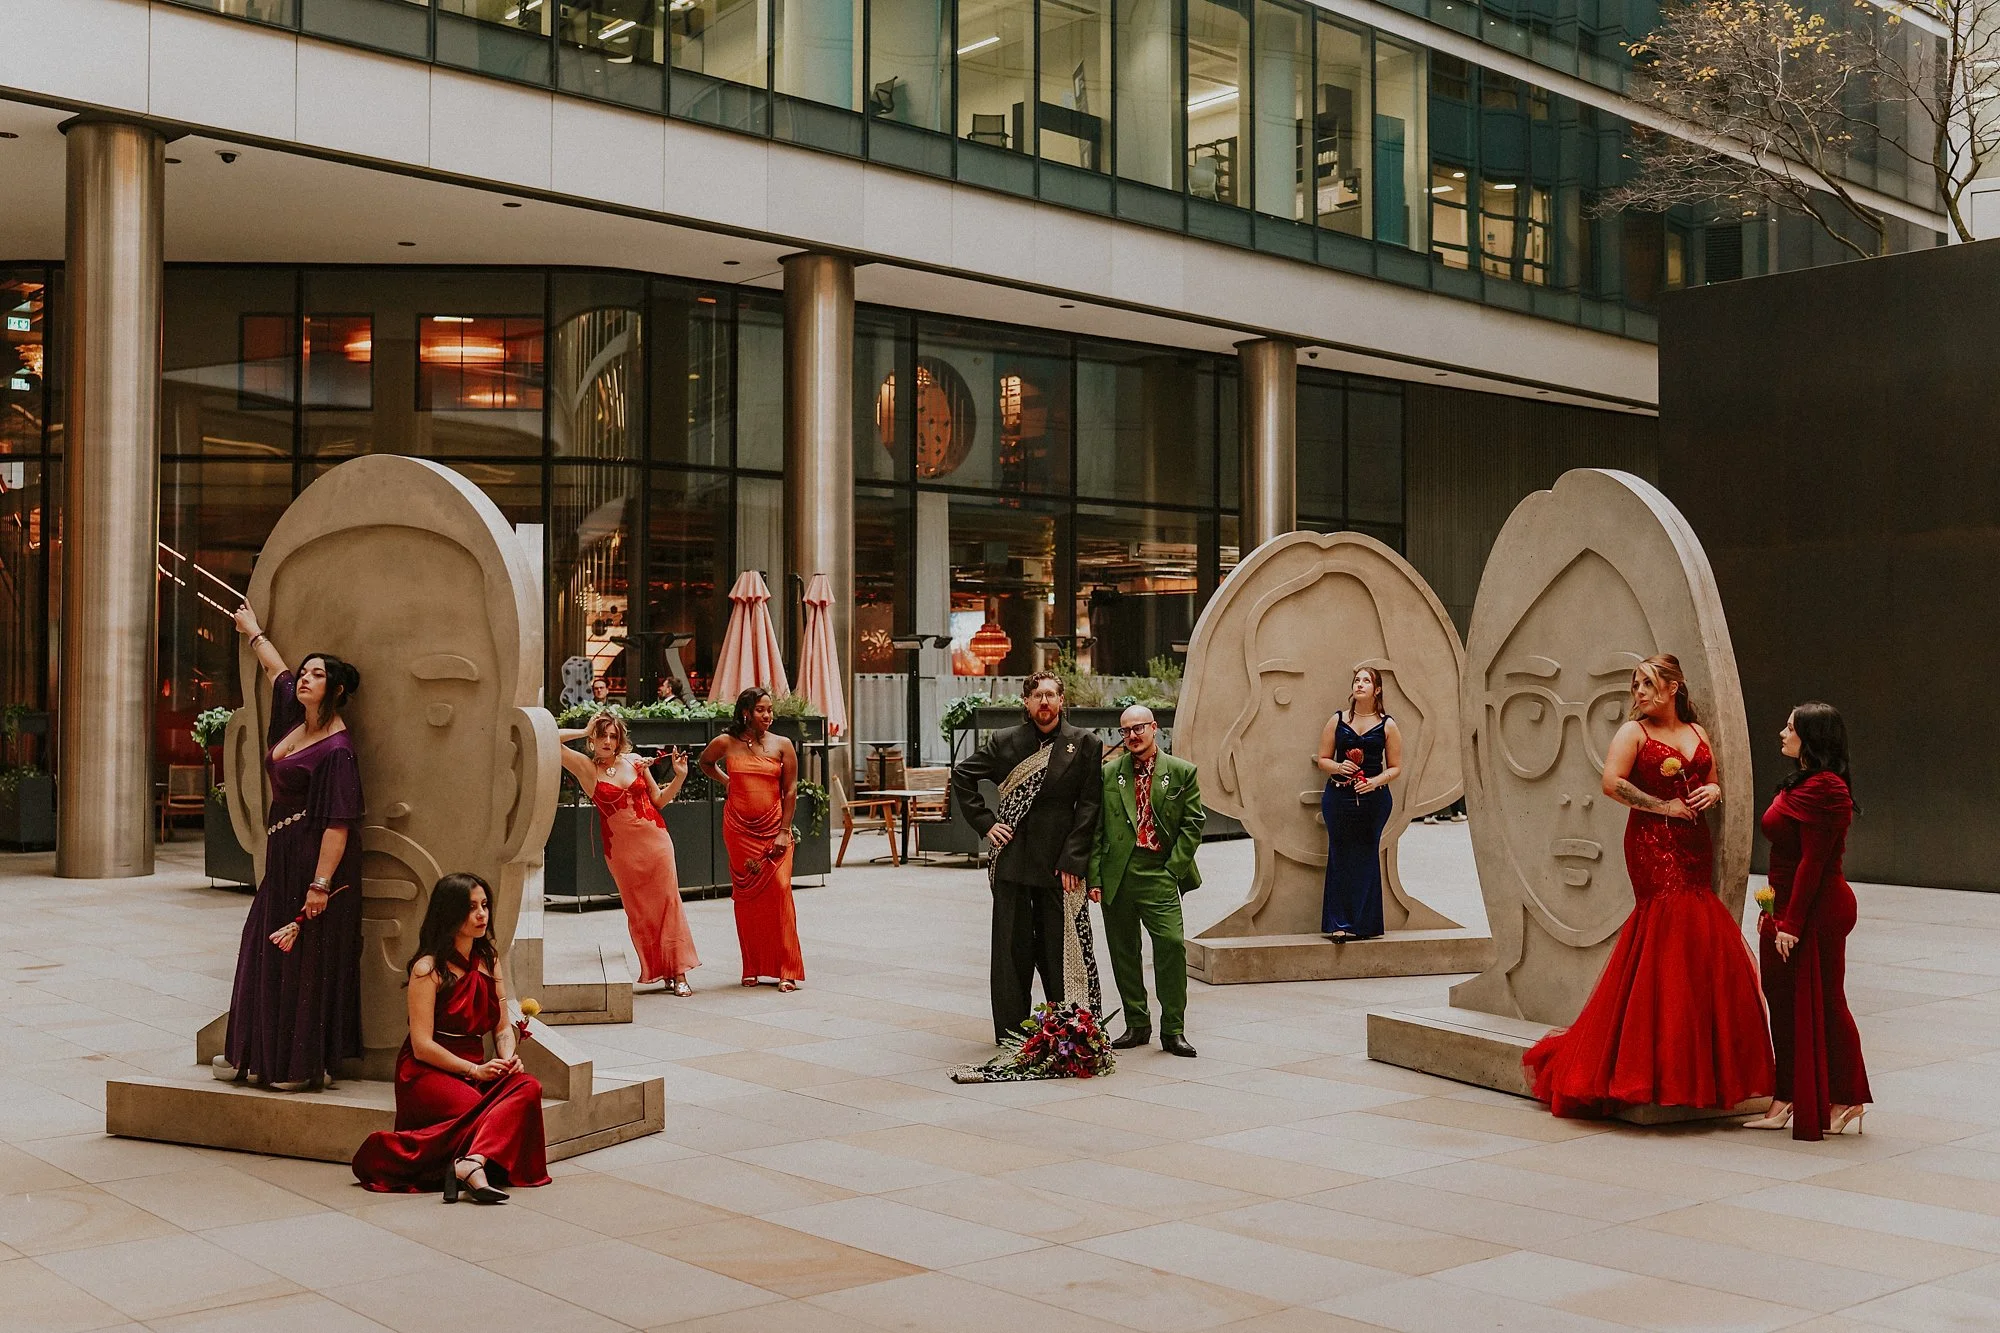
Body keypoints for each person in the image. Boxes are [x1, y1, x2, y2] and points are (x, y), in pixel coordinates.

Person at [1523, 654, 1774, 1118]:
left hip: (1693, 842)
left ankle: (1698, 1064)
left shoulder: (1697, 732)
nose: (1638, 692)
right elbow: (1611, 783)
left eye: (1647, 683)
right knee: (1664, 927)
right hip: (1652, 843)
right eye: (1635, 684)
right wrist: (1664, 807)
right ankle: (1651, 1065)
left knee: (1696, 934)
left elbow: (1712, 779)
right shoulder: (1633, 732)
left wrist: (1714, 791)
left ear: (1673, 687)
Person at [212, 605, 365, 1092]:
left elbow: (339, 823)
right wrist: (253, 631)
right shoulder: (295, 719)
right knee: (261, 946)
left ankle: (299, 1066)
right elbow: (275, 670)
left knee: (303, 958)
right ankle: (260, 1055)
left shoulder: (338, 750)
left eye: (317, 675)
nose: (304, 678)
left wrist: (319, 886)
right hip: (281, 854)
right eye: (305, 672)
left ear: (334, 689)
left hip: (313, 860)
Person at [351, 872, 549, 1201]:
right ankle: (398, 1154)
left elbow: (502, 1027)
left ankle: (471, 1162)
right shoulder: (427, 969)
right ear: (450, 912)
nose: (481, 914)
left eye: (484, 905)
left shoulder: (490, 960)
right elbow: (421, 1046)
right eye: (471, 907)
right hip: (428, 1070)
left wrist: (507, 1058)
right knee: (480, 1109)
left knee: (528, 1086)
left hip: (477, 1068)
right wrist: (474, 1070)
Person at [952, 671, 1105, 1043]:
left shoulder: (1085, 743)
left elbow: (1089, 806)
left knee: (1059, 949)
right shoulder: (1005, 741)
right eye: (1038, 696)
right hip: (1014, 860)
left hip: (1058, 863)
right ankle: (1011, 1033)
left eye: (1051, 695)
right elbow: (962, 775)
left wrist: (1074, 859)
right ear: (1026, 702)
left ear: (1061, 700)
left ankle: (1067, 1029)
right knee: (1011, 951)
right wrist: (986, 823)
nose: (1045, 702)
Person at [1745, 703, 1871, 1139]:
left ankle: (1847, 1098)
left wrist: (1791, 924)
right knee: (1781, 999)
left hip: (1817, 909)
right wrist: (1774, 912)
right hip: (1787, 906)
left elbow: (1813, 863)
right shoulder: (1803, 782)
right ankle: (1787, 1095)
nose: (1782, 733)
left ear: (1811, 738)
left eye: (1791, 728)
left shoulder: (1827, 788)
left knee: (1827, 1002)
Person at [1089, 705, 1204, 1057]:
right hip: (1118, 874)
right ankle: (1137, 1023)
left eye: (1138, 728)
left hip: (1159, 871)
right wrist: (1095, 877)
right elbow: (1096, 828)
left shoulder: (1182, 772)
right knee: (1123, 952)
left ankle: (1173, 1029)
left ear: (1154, 728)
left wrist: (1173, 869)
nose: (1132, 736)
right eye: (1125, 731)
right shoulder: (1110, 774)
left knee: (1171, 944)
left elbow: (1193, 824)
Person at [556, 713, 699, 996]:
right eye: (601, 735)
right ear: (593, 739)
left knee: (669, 902)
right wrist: (584, 729)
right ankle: (663, 968)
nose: (608, 741)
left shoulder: (634, 761)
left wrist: (679, 777)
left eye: (613, 736)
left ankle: (679, 971)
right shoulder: (586, 769)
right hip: (622, 853)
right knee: (640, 912)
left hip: (656, 841)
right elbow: (548, 739)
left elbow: (659, 800)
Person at [700, 688, 804, 991]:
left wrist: (784, 830)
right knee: (747, 899)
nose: (768, 715)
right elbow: (705, 763)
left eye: (770, 710)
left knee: (781, 890)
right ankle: (752, 967)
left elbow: (790, 790)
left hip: (774, 829)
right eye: (761, 710)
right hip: (738, 831)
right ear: (746, 712)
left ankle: (787, 969)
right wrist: (726, 781)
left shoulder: (783, 745)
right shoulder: (726, 742)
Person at [1315, 667, 1403, 941]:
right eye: (1356, 680)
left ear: (1377, 689)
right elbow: (1322, 759)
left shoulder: (1388, 725)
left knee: (1366, 855)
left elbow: (1396, 767)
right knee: (1339, 855)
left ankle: (1365, 925)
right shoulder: (1337, 720)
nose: (1360, 684)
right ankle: (1338, 924)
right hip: (1338, 797)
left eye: (1366, 681)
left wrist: (1374, 782)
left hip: (1374, 800)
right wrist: (1338, 767)